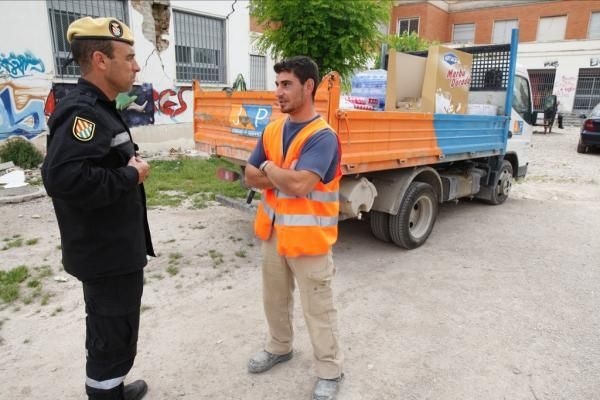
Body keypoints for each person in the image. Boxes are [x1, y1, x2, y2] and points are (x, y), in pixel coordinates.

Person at [41, 17, 153, 400]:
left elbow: (92, 167)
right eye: (130, 57)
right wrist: (130, 176)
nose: (136, 66)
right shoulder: (84, 113)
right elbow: (63, 179)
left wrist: (124, 167)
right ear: (102, 61)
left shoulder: (101, 107)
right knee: (111, 334)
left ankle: (113, 388)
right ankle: (106, 393)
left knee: (115, 329)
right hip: (105, 254)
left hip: (113, 250)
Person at [245, 56, 344, 400]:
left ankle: (330, 370)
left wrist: (269, 169)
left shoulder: (323, 136)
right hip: (273, 232)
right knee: (273, 299)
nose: (279, 92)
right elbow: (248, 175)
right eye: (277, 84)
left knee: (318, 307)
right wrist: (278, 173)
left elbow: (301, 185)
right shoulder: (273, 128)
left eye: (286, 84)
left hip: (310, 238)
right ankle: (279, 347)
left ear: (309, 86)